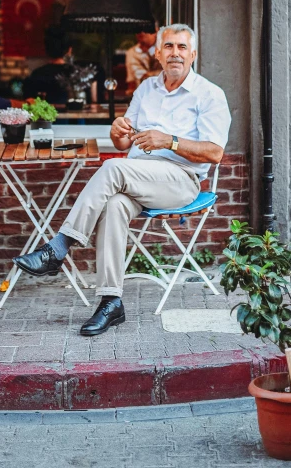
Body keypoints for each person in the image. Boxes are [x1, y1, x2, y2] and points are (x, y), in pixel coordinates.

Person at [13, 23, 231, 336]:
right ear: (157, 53)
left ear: (193, 54)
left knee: (113, 169)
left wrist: (168, 141)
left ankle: (58, 247)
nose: (175, 54)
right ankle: (110, 301)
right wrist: (118, 132)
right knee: (114, 205)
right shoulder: (146, 90)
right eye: (168, 46)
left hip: (179, 181)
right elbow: (124, 144)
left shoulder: (209, 94)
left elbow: (214, 152)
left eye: (182, 47)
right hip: (137, 178)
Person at [124, 30, 160, 96]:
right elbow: (131, 83)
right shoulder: (131, 53)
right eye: (138, 29)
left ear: (156, 31)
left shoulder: (165, 50)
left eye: (146, 29)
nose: (141, 32)